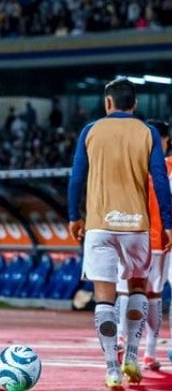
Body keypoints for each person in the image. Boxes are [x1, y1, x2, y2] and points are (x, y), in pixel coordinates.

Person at [68, 78, 172, 389]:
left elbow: (77, 177)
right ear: (135, 104)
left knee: (105, 297)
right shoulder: (147, 132)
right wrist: (167, 222)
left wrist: (74, 216)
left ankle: (111, 368)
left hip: (100, 224)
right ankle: (132, 358)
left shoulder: (91, 131)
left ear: (107, 103)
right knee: (138, 288)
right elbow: (158, 180)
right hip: (136, 226)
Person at [116, 119, 172, 371]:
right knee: (142, 293)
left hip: (147, 238)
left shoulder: (136, 164)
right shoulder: (150, 166)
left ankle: (139, 348)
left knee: (138, 292)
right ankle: (130, 345)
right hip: (147, 237)